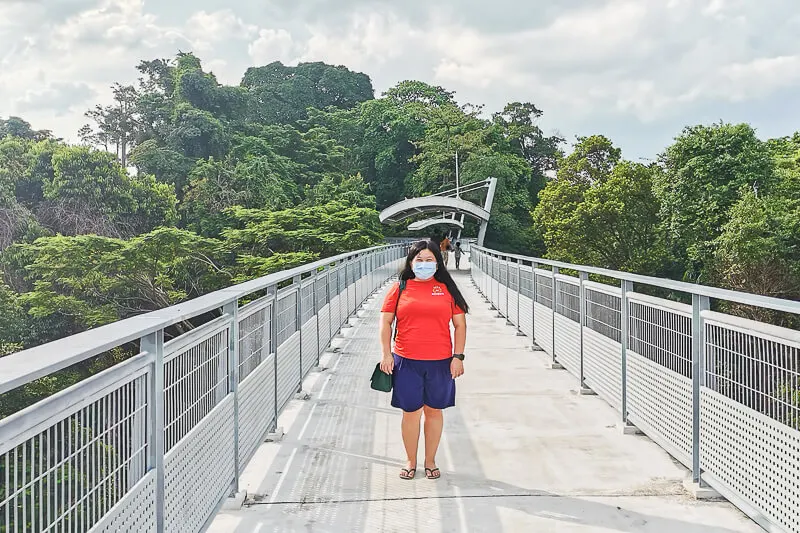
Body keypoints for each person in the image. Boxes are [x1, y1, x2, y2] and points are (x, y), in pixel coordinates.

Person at [379, 240, 469, 480]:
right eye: (419, 260)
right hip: (406, 361)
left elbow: (460, 325)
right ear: (411, 262)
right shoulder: (399, 288)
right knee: (411, 412)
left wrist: (458, 357)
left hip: (440, 362)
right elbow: (385, 322)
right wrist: (386, 354)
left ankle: (430, 461)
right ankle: (411, 460)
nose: (424, 264)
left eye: (430, 260)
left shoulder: (447, 289)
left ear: (438, 263)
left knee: (434, 412)